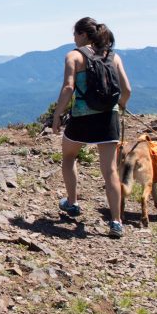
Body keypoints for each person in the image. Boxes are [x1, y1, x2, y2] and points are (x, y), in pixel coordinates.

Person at [51, 17, 132, 238]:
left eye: (75, 34)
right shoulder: (113, 57)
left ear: (84, 35)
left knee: (69, 157)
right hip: (108, 119)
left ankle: (73, 203)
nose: (74, 39)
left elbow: (68, 87)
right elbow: (127, 90)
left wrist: (57, 115)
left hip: (82, 119)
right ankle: (116, 222)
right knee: (110, 171)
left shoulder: (74, 56)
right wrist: (120, 106)